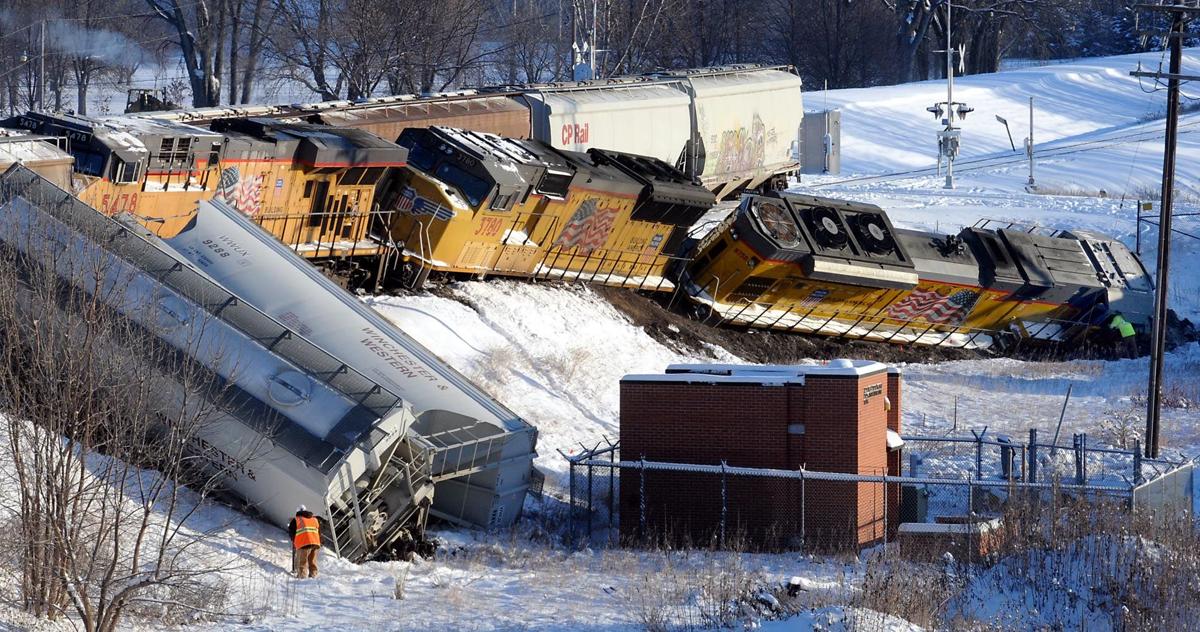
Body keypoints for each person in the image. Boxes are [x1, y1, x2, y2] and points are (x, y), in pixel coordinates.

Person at [287, 505, 321, 579]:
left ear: (297, 512)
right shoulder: (314, 519)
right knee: (312, 561)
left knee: (302, 562)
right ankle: (313, 576)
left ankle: (302, 578)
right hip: (315, 543)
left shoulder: (296, 520)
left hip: (304, 544)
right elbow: (319, 532)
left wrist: (295, 542)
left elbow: (292, 532)